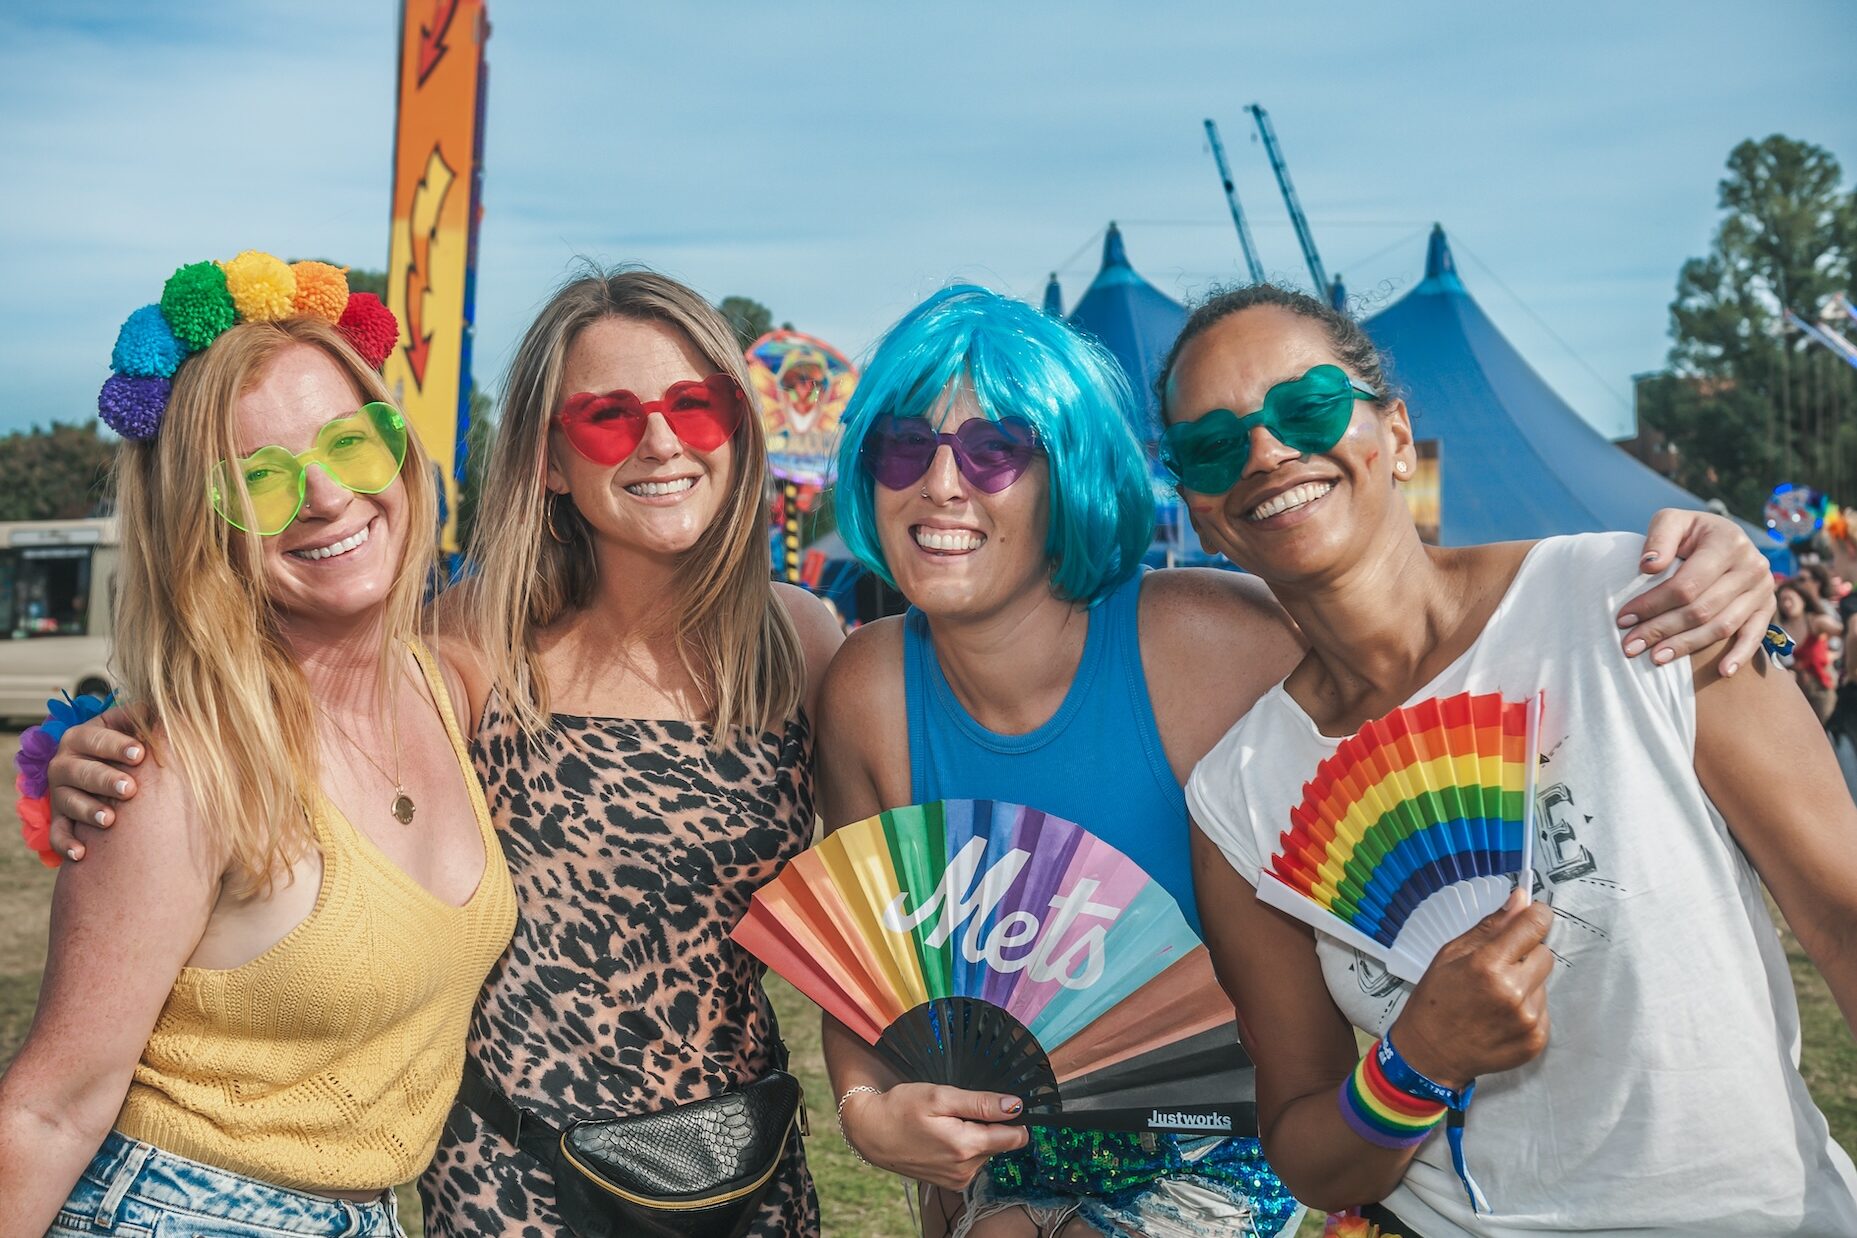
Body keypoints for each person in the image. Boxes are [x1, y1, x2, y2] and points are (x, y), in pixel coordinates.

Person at [814, 285, 1781, 1238]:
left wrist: (1711, 560)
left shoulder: (1210, 641)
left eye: (993, 452)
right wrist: (867, 1113)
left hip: (1225, 1151)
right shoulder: (867, 692)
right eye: (905, 445)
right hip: (1001, 1173)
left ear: (1066, 474)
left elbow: (1418, 638)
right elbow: (869, 970)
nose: (941, 483)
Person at [45, 266, 842, 1237]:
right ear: (549, 459)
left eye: (695, 404)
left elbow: (876, 902)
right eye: (608, 416)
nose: (662, 442)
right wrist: (101, 743)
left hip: (740, 1171)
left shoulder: (799, 643)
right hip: (521, 1173)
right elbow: (290, 692)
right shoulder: (472, 643)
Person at [1166, 283, 1857, 1235]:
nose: (1266, 451)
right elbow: (1307, 1150)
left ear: (1396, 434)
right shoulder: (1238, 796)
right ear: (1198, 510)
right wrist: (1416, 1064)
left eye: (1308, 406)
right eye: (1210, 444)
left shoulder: (1639, 601)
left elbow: (1843, 915)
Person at [0, 257, 516, 1236]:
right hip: (172, 1210)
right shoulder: (179, 770)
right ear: (203, 522)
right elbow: (46, 1104)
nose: (326, 496)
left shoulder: (449, 682)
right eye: (261, 480)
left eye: (353, 444)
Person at [1777, 580, 1840, 723]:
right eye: (1782, 600)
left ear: (1802, 599)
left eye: (1790, 599)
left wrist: (1835, 654)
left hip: (1822, 689)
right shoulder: (1781, 629)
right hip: (1799, 693)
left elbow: (1844, 632)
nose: (1786, 604)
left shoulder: (1815, 622)